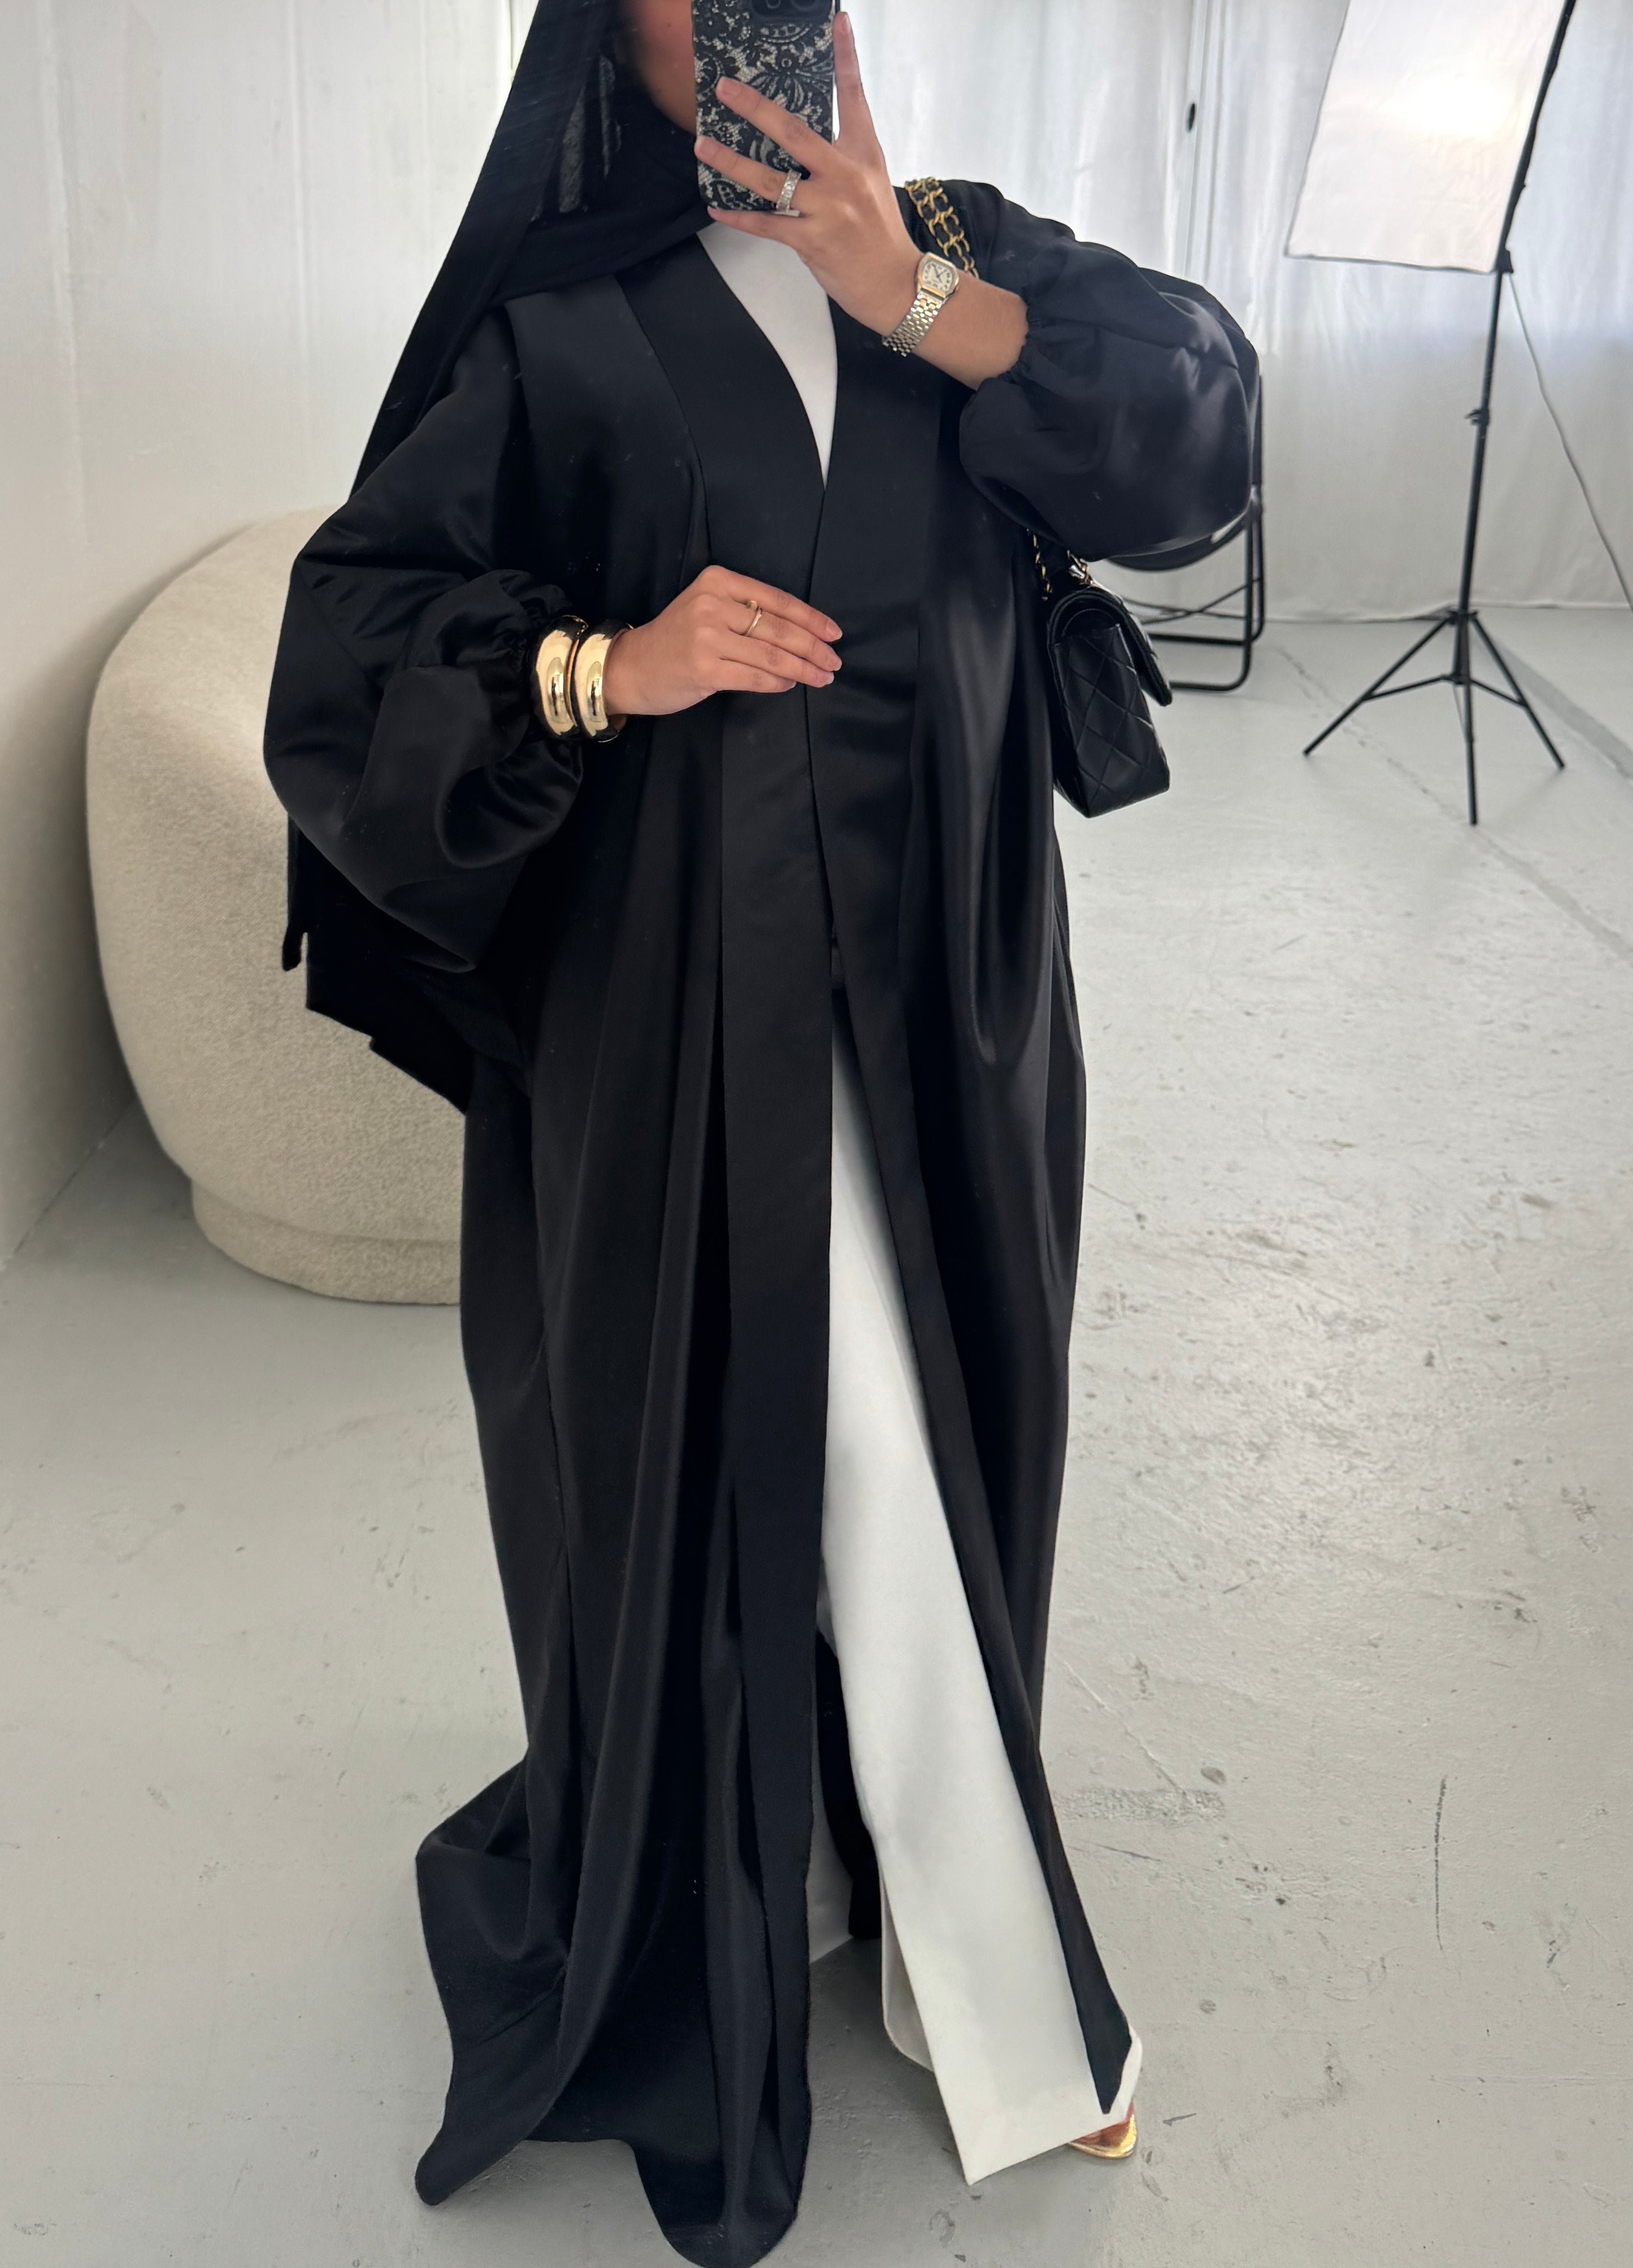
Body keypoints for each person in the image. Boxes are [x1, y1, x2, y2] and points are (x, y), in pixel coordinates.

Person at [263, 5, 1256, 2263]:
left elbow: (1194, 439)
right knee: (816, 1450)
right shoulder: (564, 327)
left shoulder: (965, 260)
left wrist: (909, 286)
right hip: (680, 1016)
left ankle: (827, 1867)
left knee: (942, 1436)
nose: (750, 22)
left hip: (945, 1004)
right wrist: (605, 665)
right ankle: (990, 1995)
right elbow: (352, 645)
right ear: (613, 42)